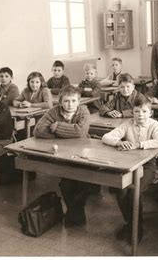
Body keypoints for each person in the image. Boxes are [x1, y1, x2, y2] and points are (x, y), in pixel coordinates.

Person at [102, 96, 158, 243]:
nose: (140, 115)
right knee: (121, 191)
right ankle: (130, 224)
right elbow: (106, 137)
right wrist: (118, 142)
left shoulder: (154, 125)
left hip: (148, 165)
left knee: (133, 192)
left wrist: (139, 144)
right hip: (130, 164)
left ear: (150, 113)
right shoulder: (127, 124)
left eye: (144, 111)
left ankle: (138, 228)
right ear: (132, 112)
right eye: (137, 111)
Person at [33, 85, 96, 227]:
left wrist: (57, 127)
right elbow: (38, 130)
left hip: (82, 151)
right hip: (62, 152)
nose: (70, 104)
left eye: (73, 101)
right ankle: (76, 212)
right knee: (66, 183)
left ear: (79, 101)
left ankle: (75, 212)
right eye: (66, 101)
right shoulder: (53, 111)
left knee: (81, 181)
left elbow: (80, 132)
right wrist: (67, 134)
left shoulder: (83, 111)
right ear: (60, 101)